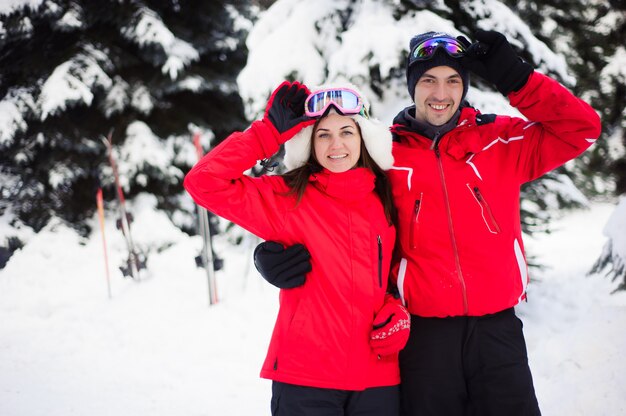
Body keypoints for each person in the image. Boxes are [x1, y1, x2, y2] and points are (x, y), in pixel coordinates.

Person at [253, 30, 602, 415]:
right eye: (428, 80)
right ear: (412, 86)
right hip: (424, 339)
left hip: (497, 334)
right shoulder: (383, 154)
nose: (441, 93)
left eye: (453, 80)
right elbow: (332, 207)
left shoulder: (499, 140)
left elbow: (581, 128)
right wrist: (273, 254)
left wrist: (516, 78)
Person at [184, 81, 411, 416]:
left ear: (363, 137)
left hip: (376, 377)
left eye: (347, 131)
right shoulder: (287, 197)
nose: (337, 144)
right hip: (307, 377)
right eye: (323, 134)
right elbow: (204, 182)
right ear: (310, 143)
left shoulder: (387, 197)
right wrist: (266, 134)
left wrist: (398, 311)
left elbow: (397, 273)